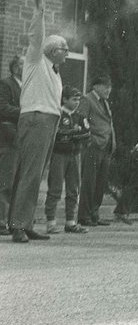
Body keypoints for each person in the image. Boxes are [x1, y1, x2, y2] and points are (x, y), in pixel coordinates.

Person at [8, 0, 67, 243]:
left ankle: (24, 222)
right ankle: (19, 224)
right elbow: (36, 37)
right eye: (63, 48)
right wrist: (39, 9)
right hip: (36, 120)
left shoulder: (55, 72)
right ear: (51, 50)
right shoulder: (35, 59)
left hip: (48, 121)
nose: (66, 51)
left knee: (34, 173)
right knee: (30, 173)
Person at [44, 85, 91, 234]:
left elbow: (86, 133)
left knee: (73, 189)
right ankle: (51, 222)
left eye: (78, 99)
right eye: (73, 99)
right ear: (64, 99)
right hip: (59, 155)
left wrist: (69, 135)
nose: (77, 102)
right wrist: (73, 133)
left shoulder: (80, 116)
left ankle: (70, 222)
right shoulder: (58, 115)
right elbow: (57, 134)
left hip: (75, 154)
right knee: (55, 188)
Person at [78, 73, 116, 227]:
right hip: (93, 147)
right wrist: (90, 141)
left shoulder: (104, 102)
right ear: (96, 86)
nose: (109, 90)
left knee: (100, 182)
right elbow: (81, 121)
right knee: (89, 182)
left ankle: (95, 213)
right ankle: (84, 216)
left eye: (110, 87)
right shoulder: (87, 99)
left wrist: (113, 143)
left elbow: (108, 124)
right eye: (106, 86)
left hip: (106, 147)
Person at [0, 55, 24, 234]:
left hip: (21, 137)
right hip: (8, 138)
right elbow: (2, 108)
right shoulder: (6, 84)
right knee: (6, 180)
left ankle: (11, 220)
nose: (26, 67)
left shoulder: (26, 85)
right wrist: (27, 111)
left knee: (16, 181)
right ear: (15, 67)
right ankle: (1, 221)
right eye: (23, 64)